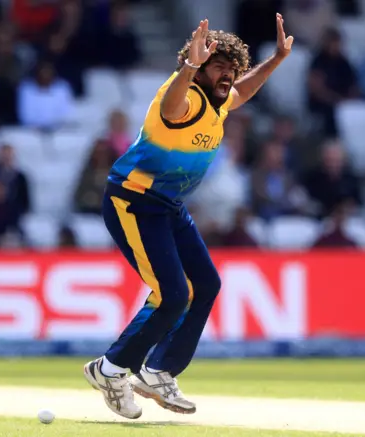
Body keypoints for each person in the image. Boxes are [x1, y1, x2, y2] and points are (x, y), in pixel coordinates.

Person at [83, 15, 294, 419]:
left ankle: (159, 369)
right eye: (219, 67)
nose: (228, 76)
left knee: (207, 284)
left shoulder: (218, 103)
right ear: (197, 66)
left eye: (231, 69)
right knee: (173, 294)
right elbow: (170, 105)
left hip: (168, 206)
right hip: (134, 200)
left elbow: (243, 93)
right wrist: (190, 68)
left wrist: (276, 60)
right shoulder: (185, 96)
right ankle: (109, 370)